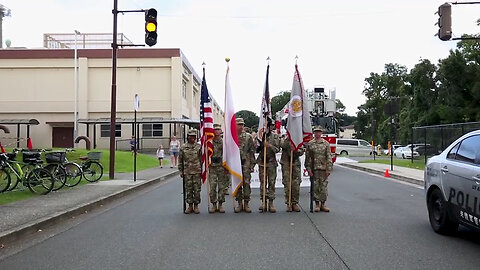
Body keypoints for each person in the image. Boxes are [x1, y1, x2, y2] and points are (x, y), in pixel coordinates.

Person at [305, 126, 333, 212]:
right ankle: (317, 204)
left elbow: (329, 156)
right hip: (314, 169)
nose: (317, 134)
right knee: (315, 187)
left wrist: (329, 169)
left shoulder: (326, 144)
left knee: (323, 187)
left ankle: (323, 204)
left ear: (321, 133)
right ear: (314, 133)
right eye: (316, 132)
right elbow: (308, 158)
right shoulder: (310, 144)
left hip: (323, 169)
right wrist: (308, 169)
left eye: (319, 132)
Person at [256, 120, 280, 213]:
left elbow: (278, 149)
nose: (270, 127)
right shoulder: (261, 136)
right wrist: (260, 143)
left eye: (271, 126)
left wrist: (269, 146)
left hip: (271, 163)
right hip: (262, 163)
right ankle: (263, 202)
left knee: (271, 183)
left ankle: (271, 203)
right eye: (268, 126)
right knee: (263, 183)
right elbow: (256, 148)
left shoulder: (275, 137)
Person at [234, 118, 255, 213]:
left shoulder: (248, 137)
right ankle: (239, 203)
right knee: (238, 184)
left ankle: (246, 203)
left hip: (245, 163)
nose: (240, 126)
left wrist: (252, 164)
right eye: (239, 124)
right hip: (235, 163)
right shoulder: (232, 137)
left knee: (246, 183)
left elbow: (252, 151)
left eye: (242, 124)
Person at [178, 130, 202, 214]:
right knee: (188, 189)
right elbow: (180, 160)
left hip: (197, 171)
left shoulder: (199, 147)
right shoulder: (183, 147)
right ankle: (190, 205)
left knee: (197, 189)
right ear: (187, 137)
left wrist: (202, 170)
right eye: (191, 136)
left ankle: (196, 205)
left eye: (194, 136)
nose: (193, 138)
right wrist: (181, 171)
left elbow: (201, 159)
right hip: (187, 171)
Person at [280, 137, 305, 212]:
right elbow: (281, 146)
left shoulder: (298, 139)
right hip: (286, 163)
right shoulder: (284, 139)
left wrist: (295, 150)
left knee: (296, 184)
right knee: (287, 183)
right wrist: (288, 142)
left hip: (295, 163)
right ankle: (288, 203)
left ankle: (294, 203)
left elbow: (301, 151)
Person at [208, 124, 228, 213]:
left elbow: (227, 155)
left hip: (221, 167)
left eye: (218, 129)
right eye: (215, 129)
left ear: (221, 131)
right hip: (212, 167)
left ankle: (220, 204)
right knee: (212, 186)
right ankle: (213, 204)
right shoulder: (209, 142)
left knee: (221, 187)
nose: (216, 131)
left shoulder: (224, 142)